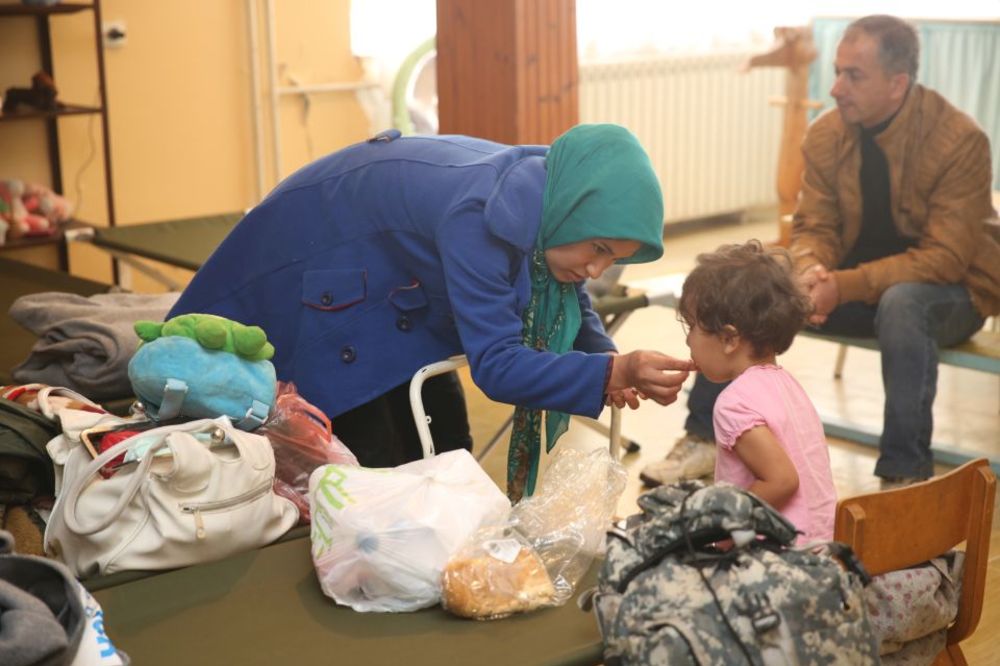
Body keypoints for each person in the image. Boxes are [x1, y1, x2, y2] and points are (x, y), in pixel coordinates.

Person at [168, 124, 693, 500]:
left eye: (613, 260)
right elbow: (498, 366)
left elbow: (568, 293)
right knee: (367, 472)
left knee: (447, 452)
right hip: (315, 244)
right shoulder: (481, 217)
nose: (598, 270)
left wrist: (603, 355)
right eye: (598, 249)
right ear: (571, 215)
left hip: (395, 273)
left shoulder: (551, 205)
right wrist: (612, 372)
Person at [641, 14, 1000, 490]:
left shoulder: (960, 140)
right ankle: (704, 437)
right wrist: (810, 272)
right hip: (845, 288)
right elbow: (813, 226)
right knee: (747, 277)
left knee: (903, 303)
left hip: (952, 296)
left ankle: (904, 474)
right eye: (836, 71)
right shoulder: (828, 133)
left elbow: (945, 259)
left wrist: (842, 285)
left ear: (897, 84)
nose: (834, 88)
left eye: (853, 75)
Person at [676, 241, 835, 541]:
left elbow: (782, 480)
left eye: (692, 327)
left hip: (780, 557)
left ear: (729, 339)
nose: (688, 342)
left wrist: (721, 528)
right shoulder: (787, 385)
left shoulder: (734, 403)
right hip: (821, 544)